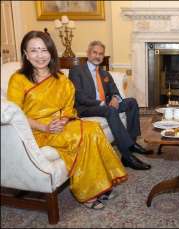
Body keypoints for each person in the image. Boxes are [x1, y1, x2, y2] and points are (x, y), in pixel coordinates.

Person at [7, 31, 128, 210]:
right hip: (36, 130)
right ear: (25, 53)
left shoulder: (60, 78)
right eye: (34, 51)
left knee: (93, 128)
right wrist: (45, 126)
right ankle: (88, 193)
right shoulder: (18, 79)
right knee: (83, 135)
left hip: (62, 124)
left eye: (44, 50)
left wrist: (64, 120)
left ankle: (101, 184)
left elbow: (69, 107)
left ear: (51, 52)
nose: (40, 56)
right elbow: (15, 114)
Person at [69, 41, 153, 171]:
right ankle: (127, 156)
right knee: (110, 110)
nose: (98, 56)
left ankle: (132, 142)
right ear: (88, 53)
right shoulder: (77, 71)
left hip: (106, 105)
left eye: (101, 54)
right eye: (95, 52)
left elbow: (115, 91)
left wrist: (115, 98)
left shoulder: (105, 74)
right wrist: (102, 103)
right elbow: (79, 96)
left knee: (131, 102)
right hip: (86, 108)